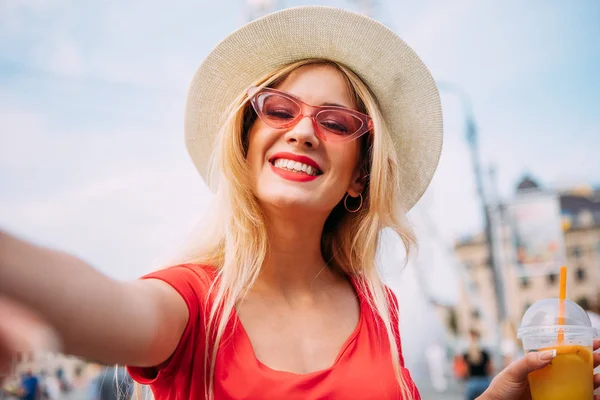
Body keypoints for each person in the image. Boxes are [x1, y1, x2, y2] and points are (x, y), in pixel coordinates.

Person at [0, 6, 599, 400]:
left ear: (360, 178)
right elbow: (95, 304)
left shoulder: (380, 308)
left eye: (336, 121)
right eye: (279, 110)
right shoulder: (193, 304)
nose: (303, 130)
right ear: (246, 142)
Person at [463, 330, 492, 400]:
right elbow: (490, 368)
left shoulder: (466, 354)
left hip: (472, 382)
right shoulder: (485, 353)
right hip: (485, 382)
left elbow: (465, 371)